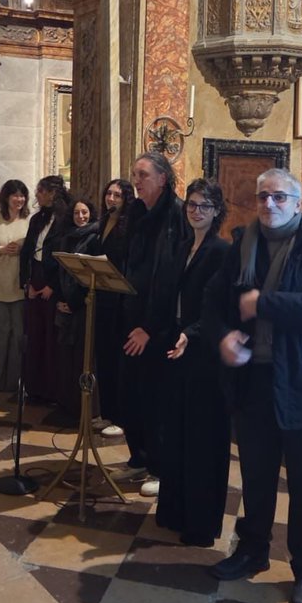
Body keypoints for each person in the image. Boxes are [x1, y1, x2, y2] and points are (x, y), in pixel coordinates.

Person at [203, 167, 302, 603]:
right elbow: (214, 302)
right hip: (256, 381)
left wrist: (263, 304)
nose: (269, 205)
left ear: (298, 204)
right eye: (264, 197)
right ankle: (252, 549)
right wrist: (224, 335)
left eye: (280, 198)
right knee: (257, 475)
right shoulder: (242, 244)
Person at [156, 178, 230, 544]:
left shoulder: (221, 250)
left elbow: (220, 306)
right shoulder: (184, 244)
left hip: (204, 353)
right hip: (179, 346)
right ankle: (175, 511)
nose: (195, 210)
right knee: (178, 432)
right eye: (191, 204)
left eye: (204, 205)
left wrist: (194, 333)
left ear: (216, 211)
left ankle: (200, 524)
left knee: (203, 439)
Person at [112, 152, 186, 497]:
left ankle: (160, 466)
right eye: (134, 174)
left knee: (157, 400)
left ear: (162, 179)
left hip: (159, 328)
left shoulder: (177, 215)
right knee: (130, 394)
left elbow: (169, 280)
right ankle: (138, 457)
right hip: (132, 318)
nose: (136, 181)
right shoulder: (139, 213)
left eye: (142, 175)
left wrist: (151, 329)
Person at [19, 174, 70, 403]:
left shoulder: (65, 219)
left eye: (41, 191)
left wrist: (53, 286)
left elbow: (65, 256)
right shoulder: (37, 219)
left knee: (51, 337)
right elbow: (27, 250)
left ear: (52, 193)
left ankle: (52, 389)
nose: (37, 195)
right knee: (34, 333)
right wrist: (27, 282)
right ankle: (34, 386)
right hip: (36, 277)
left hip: (53, 281)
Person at [91, 178, 135, 436]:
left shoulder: (129, 225)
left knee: (118, 362)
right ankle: (107, 413)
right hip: (103, 297)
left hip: (120, 300)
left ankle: (120, 417)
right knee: (104, 358)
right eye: (109, 194)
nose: (112, 199)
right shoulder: (102, 223)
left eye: (117, 195)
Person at [0, 179, 30, 397]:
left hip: (19, 286)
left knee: (19, 335)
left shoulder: (30, 220)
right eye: (15, 195)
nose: (19, 199)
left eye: (22, 195)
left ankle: (18, 379)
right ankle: (0, 378)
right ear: (6, 197)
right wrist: (1, 250)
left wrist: (21, 251)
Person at [54, 196, 99, 423]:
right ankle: (69, 403)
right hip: (66, 304)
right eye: (76, 213)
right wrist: (60, 300)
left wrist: (73, 302)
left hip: (84, 306)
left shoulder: (95, 237)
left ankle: (86, 408)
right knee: (66, 357)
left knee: (84, 357)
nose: (81, 217)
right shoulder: (66, 238)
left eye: (84, 212)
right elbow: (61, 270)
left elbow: (90, 275)